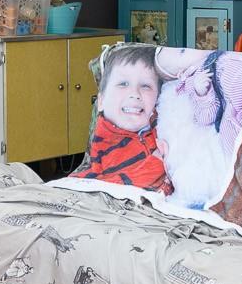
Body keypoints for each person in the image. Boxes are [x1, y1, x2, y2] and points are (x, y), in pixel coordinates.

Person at [70, 45, 172, 194]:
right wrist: (159, 161)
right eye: (123, 84)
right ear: (101, 102)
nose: (135, 94)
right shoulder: (107, 140)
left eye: (145, 86)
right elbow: (116, 185)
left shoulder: (163, 125)